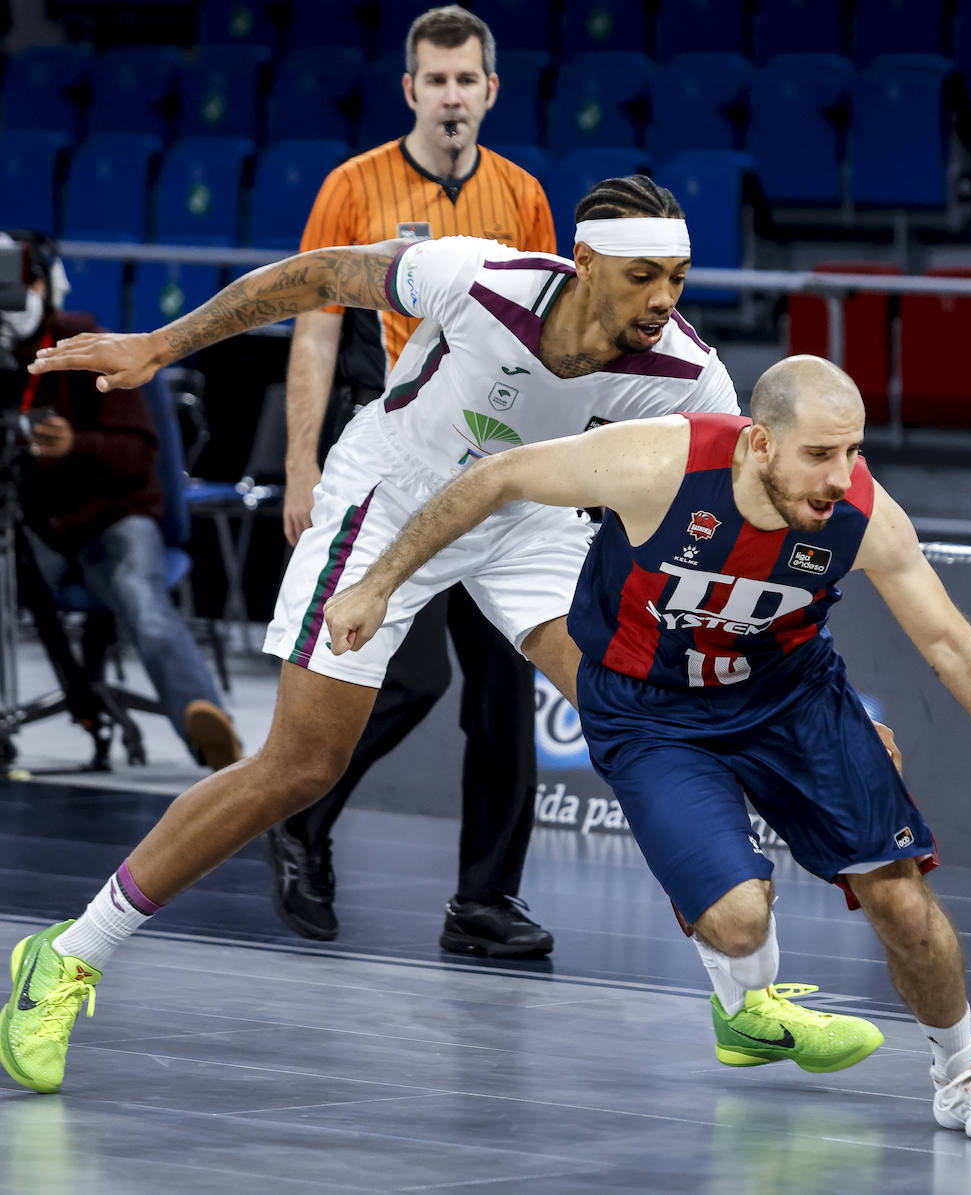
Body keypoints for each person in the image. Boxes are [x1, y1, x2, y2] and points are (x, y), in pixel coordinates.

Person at [3, 177, 882, 1099]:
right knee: (302, 764)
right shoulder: (479, 278)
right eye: (642, 277)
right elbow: (315, 278)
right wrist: (159, 344)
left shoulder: (690, 374)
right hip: (392, 497)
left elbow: (731, 516)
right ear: (584, 265)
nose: (663, 299)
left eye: (677, 277)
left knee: (645, 730)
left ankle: (747, 999)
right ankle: (66, 953)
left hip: (531, 522)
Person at [315, 355, 971, 1143]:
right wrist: (378, 582)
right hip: (651, 712)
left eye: (854, 451)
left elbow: (952, 645)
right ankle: (744, 998)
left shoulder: (863, 515)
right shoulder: (658, 463)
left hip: (791, 697)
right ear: (761, 443)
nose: (841, 476)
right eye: (819, 455)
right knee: (737, 920)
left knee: (903, 901)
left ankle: (964, 1073)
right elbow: (495, 477)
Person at [268, 3, 559, 956]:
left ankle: (484, 901)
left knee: (505, 689)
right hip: (391, 466)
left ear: (489, 91)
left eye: (465, 80)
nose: (450, 97)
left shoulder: (523, 198)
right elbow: (312, 329)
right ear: (409, 90)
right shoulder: (350, 188)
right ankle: (301, 819)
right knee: (411, 673)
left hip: (494, 471)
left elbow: (550, 348)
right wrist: (300, 461)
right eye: (433, 81)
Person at [1, 230, 240, 771]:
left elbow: (140, 453)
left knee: (139, 596)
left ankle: (208, 730)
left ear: (43, 285)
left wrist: (73, 445)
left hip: (117, 519)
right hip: (38, 529)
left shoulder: (88, 342)